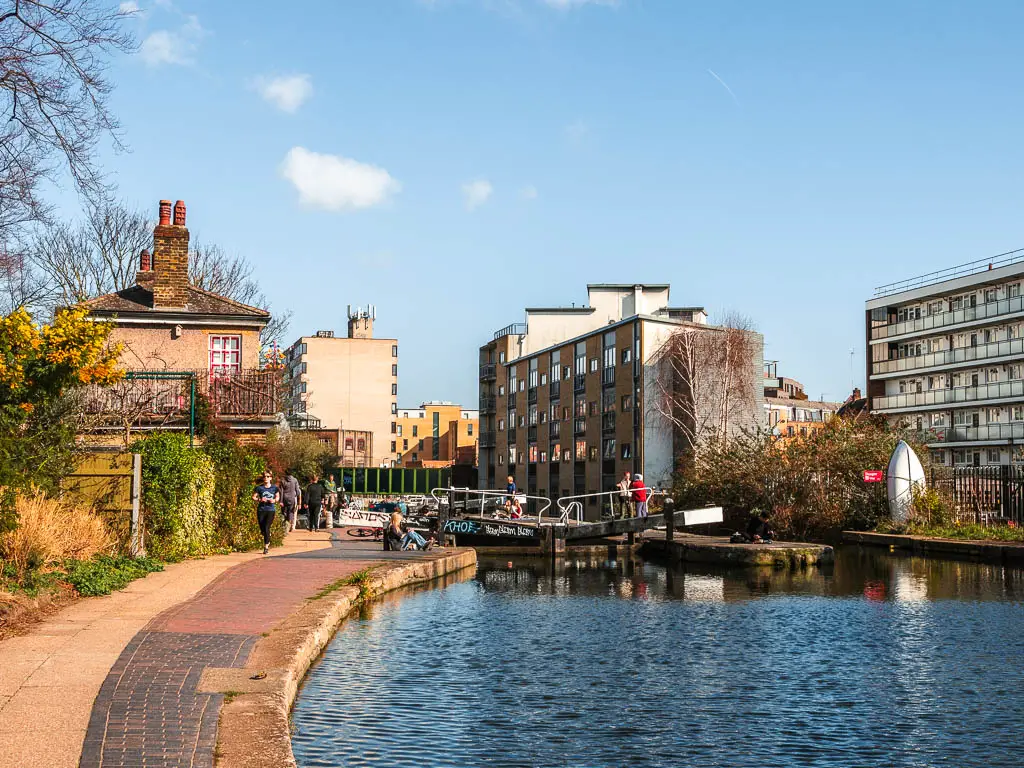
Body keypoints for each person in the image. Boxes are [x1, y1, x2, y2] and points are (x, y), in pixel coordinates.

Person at [251, 471, 280, 554]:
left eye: (267, 476)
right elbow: (253, 497)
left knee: (267, 527)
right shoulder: (259, 488)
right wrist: (260, 499)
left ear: (271, 478)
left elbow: (278, 497)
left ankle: (266, 546)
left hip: (270, 510)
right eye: (264, 476)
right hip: (261, 510)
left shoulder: (275, 488)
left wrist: (274, 500)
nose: (266, 478)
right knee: (262, 528)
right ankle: (267, 535)